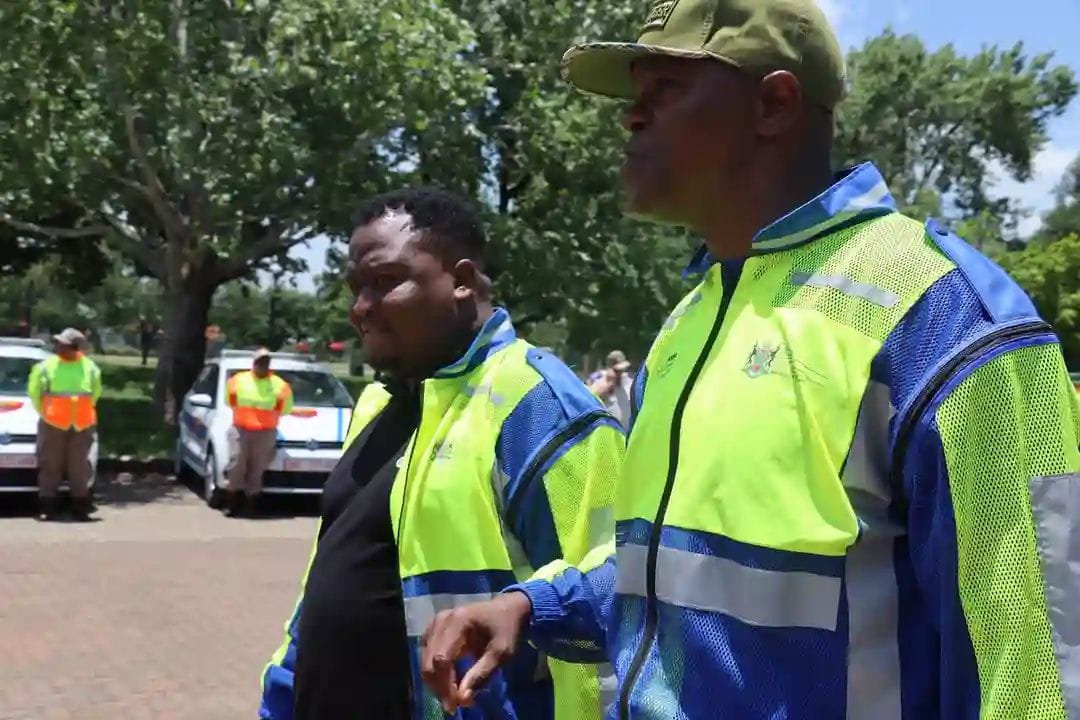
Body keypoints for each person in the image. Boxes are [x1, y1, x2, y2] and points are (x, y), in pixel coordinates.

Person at [419, 1, 1080, 718]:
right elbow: (670, 572)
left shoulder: (943, 314)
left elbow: (1039, 669)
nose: (631, 117)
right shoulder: (690, 320)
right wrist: (531, 605)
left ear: (773, 104)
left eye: (664, 90)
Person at [258, 187, 625, 720]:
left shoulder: (537, 403)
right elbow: (328, 584)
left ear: (461, 281)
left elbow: (621, 587)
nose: (360, 308)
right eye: (355, 288)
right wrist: (281, 696)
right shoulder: (378, 402)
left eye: (386, 281)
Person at [27, 327, 102, 522]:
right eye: (58, 343)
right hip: (53, 424)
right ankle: (47, 508)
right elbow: (34, 393)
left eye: (63, 344)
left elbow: (95, 394)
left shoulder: (90, 368)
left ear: (75, 348)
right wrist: (47, 413)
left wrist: (79, 413)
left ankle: (80, 509)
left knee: (79, 468)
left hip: (82, 426)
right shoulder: (45, 367)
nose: (58, 347)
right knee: (50, 466)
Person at [224, 348, 292, 518]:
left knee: (257, 469)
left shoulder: (280, 385)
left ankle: (251, 505)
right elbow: (229, 401)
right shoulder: (238, 380)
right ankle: (232, 501)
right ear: (253, 363)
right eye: (260, 361)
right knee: (236, 463)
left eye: (266, 362)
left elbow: (285, 409)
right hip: (241, 429)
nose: (263, 365)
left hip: (265, 432)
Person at [587, 350, 634, 427]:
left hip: (627, 429)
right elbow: (589, 401)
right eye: (616, 371)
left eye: (621, 370)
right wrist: (607, 385)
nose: (619, 373)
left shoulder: (630, 381)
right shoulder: (599, 380)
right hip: (608, 428)